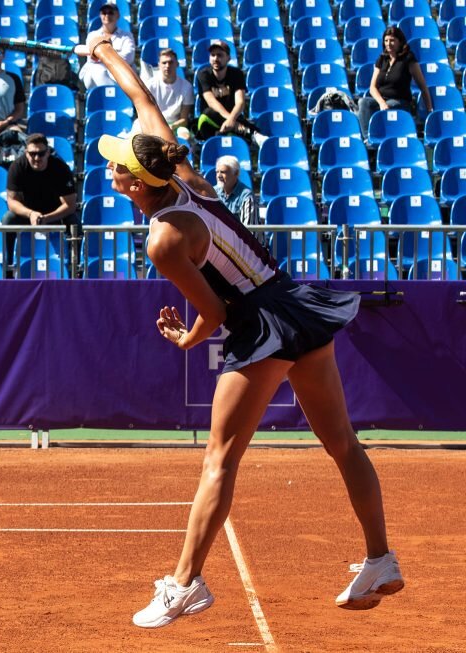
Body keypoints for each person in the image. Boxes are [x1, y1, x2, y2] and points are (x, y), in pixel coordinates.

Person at [89, 36, 403, 628]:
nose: (108, 168)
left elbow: (217, 311)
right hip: (293, 304)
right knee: (342, 444)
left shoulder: (163, 239)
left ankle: (184, 584)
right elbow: (141, 100)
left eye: (115, 165)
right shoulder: (181, 170)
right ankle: (379, 558)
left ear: (135, 183)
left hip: (259, 325)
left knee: (219, 460)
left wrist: (188, 339)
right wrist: (104, 54)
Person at [2, 133, 77, 269]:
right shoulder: (17, 167)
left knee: (74, 222)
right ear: (26, 153)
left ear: (48, 152)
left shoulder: (60, 168)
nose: (37, 158)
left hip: (55, 213)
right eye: (32, 154)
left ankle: (75, 267)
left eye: (41, 154)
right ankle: (8, 267)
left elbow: (70, 205)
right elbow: (12, 202)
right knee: (8, 219)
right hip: (28, 214)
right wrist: (31, 214)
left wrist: (47, 218)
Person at [357, 26, 432, 138]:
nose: (388, 43)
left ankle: (384, 136)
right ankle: (369, 138)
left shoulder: (408, 58)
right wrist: (381, 102)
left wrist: (429, 109)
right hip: (382, 101)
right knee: (363, 102)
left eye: (392, 40)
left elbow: (423, 86)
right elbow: (372, 87)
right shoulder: (382, 59)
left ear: (400, 42)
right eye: (386, 41)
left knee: (391, 105)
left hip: (399, 102)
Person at [195, 40, 267, 146]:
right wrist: (232, 121)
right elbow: (211, 102)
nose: (215, 59)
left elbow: (240, 102)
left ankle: (235, 133)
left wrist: (231, 120)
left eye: (219, 55)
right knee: (208, 113)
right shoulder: (203, 75)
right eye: (212, 55)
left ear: (228, 58)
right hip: (209, 122)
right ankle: (252, 134)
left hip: (233, 117)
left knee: (237, 121)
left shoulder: (236, 74)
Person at [75, 2, 135, 90]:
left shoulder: (126, 36)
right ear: (100, 15)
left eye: (110, 12)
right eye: (104, 13)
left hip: (118, 73)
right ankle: (116, 97)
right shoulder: (93, 35)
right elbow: (92, 58)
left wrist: (103, 56)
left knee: (99, 71)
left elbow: (129, 57)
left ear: (117, 15)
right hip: (94, 74)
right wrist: (114, 56)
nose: (107, 15)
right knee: (97, 70)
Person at [144, 48, 193, 139]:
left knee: (185, 136)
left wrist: (172, 126)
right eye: (164, 63)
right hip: (154, 122)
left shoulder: (187, 87)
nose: (167, 66)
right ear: (159, 65)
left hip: (176, 125)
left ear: (177, 64)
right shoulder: (150, 85)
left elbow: (184, 119)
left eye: (171, 62)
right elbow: (147, 112)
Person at [213, 155, 257, 228]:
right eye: (217, 172)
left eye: (223, 172)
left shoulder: (247, 196)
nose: (219, 176)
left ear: (236, 173)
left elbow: (249, 231)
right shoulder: (213, 192)